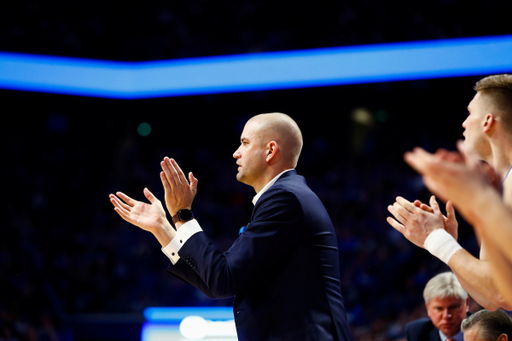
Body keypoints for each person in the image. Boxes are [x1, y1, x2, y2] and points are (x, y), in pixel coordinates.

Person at [109, 113, 352, 341]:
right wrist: (163, 227)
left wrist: (182, 214)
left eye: (244, 143)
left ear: (270, 151)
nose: (236, 153)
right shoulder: (287, 197)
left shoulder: (285, 199)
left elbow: (223, 279)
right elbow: (216, 285)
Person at [387, 74, 512, 311]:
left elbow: (502, 290)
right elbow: (492, 298)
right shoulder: (498, 188)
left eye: (469, 113)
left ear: (487, 122)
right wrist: (446, 243)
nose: (464, 123)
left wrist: (436, 239)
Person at [406, 272, 470, 341]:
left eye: (453, 307)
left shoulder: (482, 330)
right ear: (428, 308)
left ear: (466, 304)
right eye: (439, 309)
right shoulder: (416, 333)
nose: (446, 315)